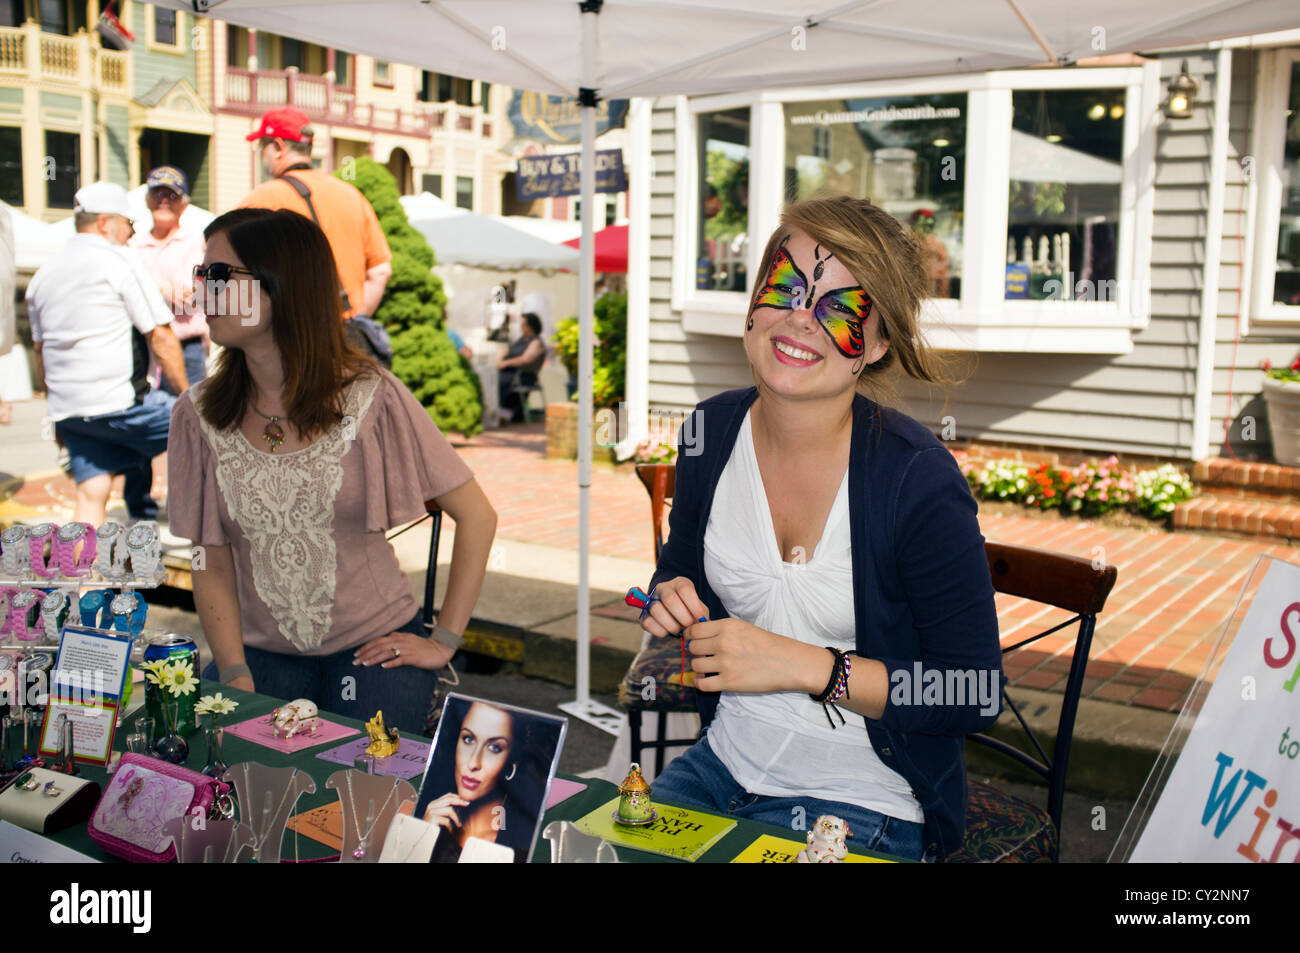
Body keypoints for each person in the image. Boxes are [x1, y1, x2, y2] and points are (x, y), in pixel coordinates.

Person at [638, 195, 1003, 862]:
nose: (800, 319)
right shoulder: (708, 432)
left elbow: (973, 691)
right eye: (785, 286)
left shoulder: (916, 478)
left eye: (841, 307)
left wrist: (809, 666)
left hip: (867, 802)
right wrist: (670, 590)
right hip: (719, 768)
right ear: (752, 303)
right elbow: (680, 565)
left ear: (879, 344)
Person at [168, 208, 497, 735]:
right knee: (242, 801)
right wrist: (232, 669)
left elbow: (477, 516)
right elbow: (210, 554)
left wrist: (445, 641)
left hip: (376, 649)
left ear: (284, 286)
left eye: (219, 277)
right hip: (257, 656)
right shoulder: (197, 414)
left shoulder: (372, 395)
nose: (201, 293)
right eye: (200, 277)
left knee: (362, 805)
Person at [25, 182, 187, 525]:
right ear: (105, 223)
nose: (131, 233)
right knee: (209, 426)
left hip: (71, 411)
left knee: (91, 494)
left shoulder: (43, 275)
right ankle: (218, 536)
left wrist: (56, 414)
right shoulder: (119, 260)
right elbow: (160, 335)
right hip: (120, 404)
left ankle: (87, 578)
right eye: (129, 224)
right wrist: (189, 399)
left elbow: (41, 353)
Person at [237, 108, 392, 345]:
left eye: (262, 147)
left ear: (278, 147)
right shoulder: (351, 195)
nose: (261, 155)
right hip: (344, 338)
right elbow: (381, 271)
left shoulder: (261, 199)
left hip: (290, 341)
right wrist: (356, 316)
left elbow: (226, 266)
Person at [415, 699, 560, 862]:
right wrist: (423, 839)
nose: (473, 763)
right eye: (468, 739)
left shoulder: (521, 845)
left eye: (494, 748)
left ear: (513, 761)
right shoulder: (429, 814)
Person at [132, 166, 209, 393]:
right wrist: (163, 290)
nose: (164, 201)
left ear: (184, 204)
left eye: (172, 195)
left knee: (191, 419)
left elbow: (192, 298)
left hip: (188, 351)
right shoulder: (133, 246)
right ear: (147, 200)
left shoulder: (197, 244)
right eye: (158, 194)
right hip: (143, 348)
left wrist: (150, 290)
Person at [495, 312, 545, 422]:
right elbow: (506, 352)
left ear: (530, 326)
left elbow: (526, 359)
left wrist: (506, 363)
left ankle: (503, 413)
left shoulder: (536, 342)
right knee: (491, 379)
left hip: (523, 376)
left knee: (500, 381)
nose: (521, 328)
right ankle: (496, 412)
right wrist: (500, 361)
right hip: (509, 373)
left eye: (523, 325)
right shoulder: (520, 340)